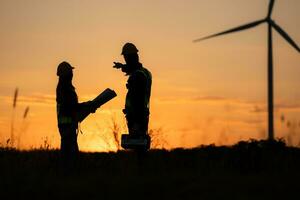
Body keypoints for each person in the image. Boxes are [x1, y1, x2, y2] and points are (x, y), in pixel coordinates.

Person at [56, 61, 95, 168]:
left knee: (69, 154)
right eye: (70, 72)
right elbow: (71, 107)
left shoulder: (65, 88)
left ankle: (68, 174)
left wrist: (86, 107)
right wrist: (86, 106)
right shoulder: (65, 89)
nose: (72, 74)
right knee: (69, 155)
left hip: (68, 126)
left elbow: (72, 107)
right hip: (67, 127)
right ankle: (68, 176)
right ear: (66, 74)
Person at [113, 43, 152, 149]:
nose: (125, 60)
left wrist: (136, 123)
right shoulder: (144, 72)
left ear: (128, 58)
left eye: (125, 57)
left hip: (136, 117)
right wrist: (122, 67)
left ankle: (139, 165)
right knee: (140, 147)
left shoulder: (137, 76)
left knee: (138, 149)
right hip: (142, 114)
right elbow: (133, 67)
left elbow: (137, 100)